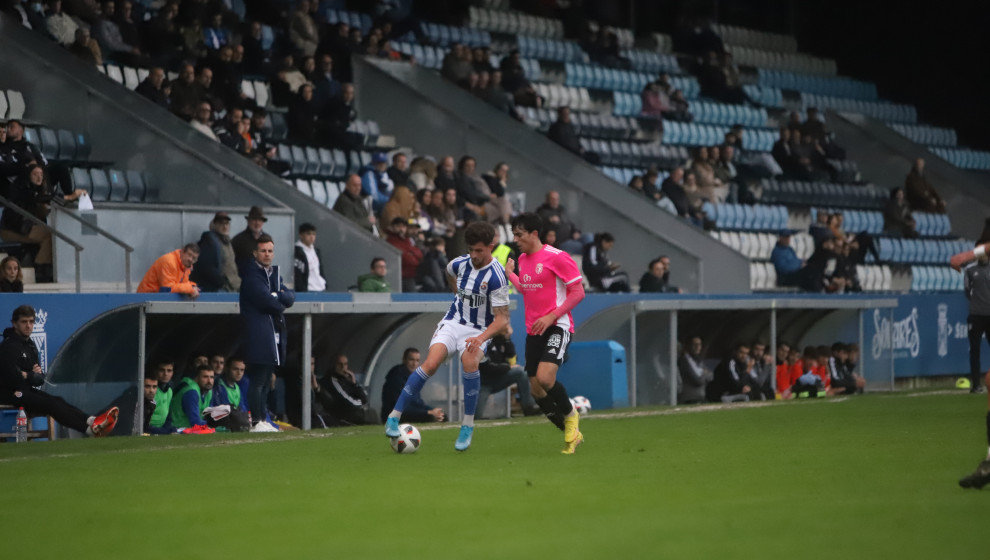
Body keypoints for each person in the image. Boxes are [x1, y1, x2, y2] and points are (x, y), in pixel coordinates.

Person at [385, 222, 510, 451]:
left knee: (469, 361)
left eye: (479, 250)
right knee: (430, 364)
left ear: (491, 246)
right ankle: (394, 417)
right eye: (471, 249)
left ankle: (467, 425)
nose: (474, 255)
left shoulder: (497, 276)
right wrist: (456, 294)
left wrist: (481, 338)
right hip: (453, 322)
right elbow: (449, 272)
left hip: (478, 330)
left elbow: (502, 319)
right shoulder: (460, 263)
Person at [504, 212, 586, 454]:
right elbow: (527, 290)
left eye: (519, 235)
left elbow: (578, 292)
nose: (515, 240)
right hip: (534, 330)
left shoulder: (557, 257)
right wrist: (511, 274)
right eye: (514, 235)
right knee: (536, 389)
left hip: (557, 325)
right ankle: (571, 434)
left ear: (534, 234)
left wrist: (552, 315)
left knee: (545, 378)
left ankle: (572, 417)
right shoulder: (523, 259)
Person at [0, 305, 118, 437]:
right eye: (24, 322)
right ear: (14, 324)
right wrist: (29, 374)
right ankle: (88, 430)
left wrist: (27, 374)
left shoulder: (30, 345)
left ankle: (91, 421)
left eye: (31, 321)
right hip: (9, 392)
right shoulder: (8, 346)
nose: (28, 326)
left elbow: (39, 378)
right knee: (51, 404)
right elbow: (11, 377)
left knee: (58, 400)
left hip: (25, 389)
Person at [239, 234, 294, 425]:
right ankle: (257, 421)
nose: (267, 254)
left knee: (266, 380)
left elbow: (290, 297)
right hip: (259, 334)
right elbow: (270, 303)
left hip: (273, 334)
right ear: (255, 253)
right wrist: (278, 298)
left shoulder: (273, 274)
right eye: (263, 251)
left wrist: (277, 295)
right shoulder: (252, 275)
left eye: (270, 251)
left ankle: (263, 419)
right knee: (258, 380)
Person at [477, 327, 541, 418]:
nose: (507, 327)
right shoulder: (483, 340)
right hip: (482, 384)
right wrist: (507, 367)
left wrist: (507, 339)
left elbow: (512, 360)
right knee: (476, 417)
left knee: (521, 372)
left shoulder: (502, 341)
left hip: (498, 380)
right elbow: (487, 367)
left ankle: (529, 407)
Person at [380, 348, 446, 424]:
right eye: (411, 360)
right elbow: (401, 407)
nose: (414, 364)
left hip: (408, 413)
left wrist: (434, 411)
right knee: (430, 417)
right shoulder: (396, 378)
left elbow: (418, 403)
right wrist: (428, 412)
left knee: (442, 416)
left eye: (417, 360)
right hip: (396, 416)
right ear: (404, 360)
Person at [312, 354, 373, 426]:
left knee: (372, 414)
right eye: (340, 364)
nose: (343, 367)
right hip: (344, 416)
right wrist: (361, 403)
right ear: (334, 365)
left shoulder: (346, 380)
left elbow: (364, 398)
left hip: (354, 412)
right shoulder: (332, 381)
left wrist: (354, 383)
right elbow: (349, 403)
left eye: (345, 364)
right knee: (370, 416)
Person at [190, 212, 239, 293]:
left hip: (232, 287)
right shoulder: (210, 241)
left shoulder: (227, 242)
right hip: (220, 289)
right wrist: (221, 282)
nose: (225, 226)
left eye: (227, 224)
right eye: (221, 224)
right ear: (215, 225)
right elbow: (206, 266)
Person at [965, 241, 990, 393]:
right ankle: (976, 385)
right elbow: (967, 291)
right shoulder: (970, 270)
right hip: (976, 315)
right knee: (974, 350)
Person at [136, 243, 200, 297]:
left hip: (157, 298)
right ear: (182, 251)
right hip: (144, 299)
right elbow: (167, 288)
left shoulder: (186, 266)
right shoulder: (169, 261)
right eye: (189, 255)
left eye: (194, 258)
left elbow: (182, 284)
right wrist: (190, 289)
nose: (190, 259)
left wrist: (193, 286)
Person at [169, 364, 215, 430]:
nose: (209, 381)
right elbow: (195, 421)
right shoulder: (191, 392)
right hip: (177, 428)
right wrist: (212, 426)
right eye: (205, 377)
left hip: (190, 429)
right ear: (196, 378)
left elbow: (210, 416)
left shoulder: (208, 391)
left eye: (212, 377)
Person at [210, 357, 251, 430]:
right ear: (226, 369)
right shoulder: (219, 386)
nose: (239, 373)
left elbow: (242, 408)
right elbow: (224, 410)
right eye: (235, 369)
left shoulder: (237, 387)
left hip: (234, 422)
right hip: (222, 425)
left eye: (242, 370)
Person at [386, 217, 422, 293]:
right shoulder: (390, 240)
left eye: (403, 226)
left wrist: (411, 253)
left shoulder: (407, 240)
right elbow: (405, 257)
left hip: (411, 274)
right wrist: (411, 254)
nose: (401, 229)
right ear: (392, 227)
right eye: (398, 226)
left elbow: (419, 255)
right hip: (400, 276)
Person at [677, 336, 712, 404]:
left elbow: (711, 376)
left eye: (699, 344)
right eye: (695, 344)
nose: (697, 347)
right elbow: (698, 381)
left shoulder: (698, 360)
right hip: (689, 399)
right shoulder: (684, 360)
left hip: (699, 398)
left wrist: (703, 374)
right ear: (688, 346)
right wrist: (704, 373)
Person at [293, 222, 326, 292]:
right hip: (308, 290)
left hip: (320, 288)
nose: (312, 237)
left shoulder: (316, 251)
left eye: (314, 234)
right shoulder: (297, 251)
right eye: (308, 234)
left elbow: (320, 270)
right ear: (301, 235)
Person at [147, 359, 176, 434]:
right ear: (155, 371)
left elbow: (169, 417)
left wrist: (167, 429)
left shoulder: (169, 390)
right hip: (148, 430)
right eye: (162, 370)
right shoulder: (148, 391)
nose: (165, 374)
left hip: (162, 429)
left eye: (169, 371)